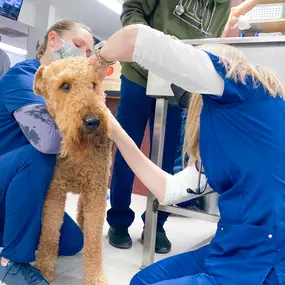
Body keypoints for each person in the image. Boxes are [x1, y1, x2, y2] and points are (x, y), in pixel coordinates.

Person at [91, 23, 284, 284]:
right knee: (142, 280)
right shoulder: (228, 130)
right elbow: (169, 189)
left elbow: (135, 38)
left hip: (265, 257)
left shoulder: (244, 85)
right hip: (233, 244)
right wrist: (115, 130)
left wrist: (98, 58)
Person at [107, 0, 232, 254]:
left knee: (167, 157)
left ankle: (156, 223)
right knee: (126, 147)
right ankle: (119, 219)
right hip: (138, 76)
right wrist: (157, 46)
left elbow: (210, 47)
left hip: (179, 84)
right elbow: (132, 11)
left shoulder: (222, 5)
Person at [0, 20, 94, 285]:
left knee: (72, 242)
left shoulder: (67, 90)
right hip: (9, 174)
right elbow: (49, 143)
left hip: (21, 187)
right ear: (53, 40)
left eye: (88, 53)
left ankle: (10, 228)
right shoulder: (25, 77)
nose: (83, 56)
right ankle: (12, 263)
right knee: (38, 155)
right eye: (78, 45)